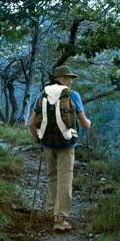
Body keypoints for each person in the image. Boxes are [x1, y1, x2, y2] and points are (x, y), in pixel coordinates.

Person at [27, 66, 91, 232]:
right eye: (69, 78)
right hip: (66, 145)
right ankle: (61, 219)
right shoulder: (72, 95)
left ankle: (51, 210)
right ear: (62, 78)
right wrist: (88, 123)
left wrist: (39, 138)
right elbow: (84, 123)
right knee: (65, 178)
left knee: (52, 176)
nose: (71, 81)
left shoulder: (42, 95)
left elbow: (30, 124)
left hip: (47, 144)